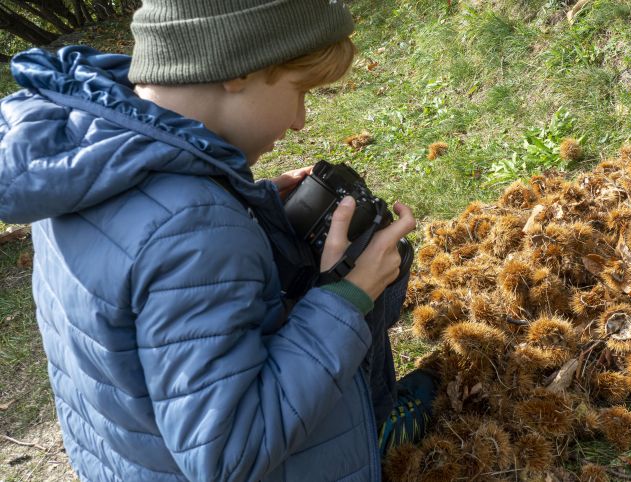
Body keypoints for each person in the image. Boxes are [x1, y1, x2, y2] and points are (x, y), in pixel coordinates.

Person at [0, 1, 437, 480]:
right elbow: (229, 452)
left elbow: (140, 281)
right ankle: (377, 434)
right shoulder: (192, 229)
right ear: (237, 70)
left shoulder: (84, 158)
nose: (300, 120)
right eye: (300, 91)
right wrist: (346, 296)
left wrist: (248, 204)